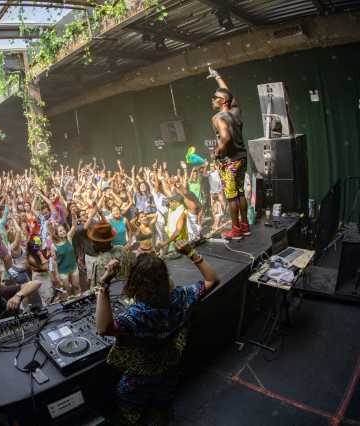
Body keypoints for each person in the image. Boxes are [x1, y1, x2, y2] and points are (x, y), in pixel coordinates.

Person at [95, 241, 219, 426]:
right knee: (162, 405)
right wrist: (191, 252)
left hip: (139, 379)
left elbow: (103, 328)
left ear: (134, 282)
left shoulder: (137, 315)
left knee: (131, 410)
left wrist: (104, 284)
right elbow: (212, 280)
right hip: (169, 368)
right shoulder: (181, 297)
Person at [208, 66, 250, 240]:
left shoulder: (218, 118)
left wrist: (217, 153)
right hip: (242, 157)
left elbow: (225, 138)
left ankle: (236, 230)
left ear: (223, 101)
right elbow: (230, 97)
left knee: (231, 197)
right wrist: (218, 77)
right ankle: (245, 225)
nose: (212, 100)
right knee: (240, 193)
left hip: (229, 162)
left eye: (215, 98)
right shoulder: (235, 113)